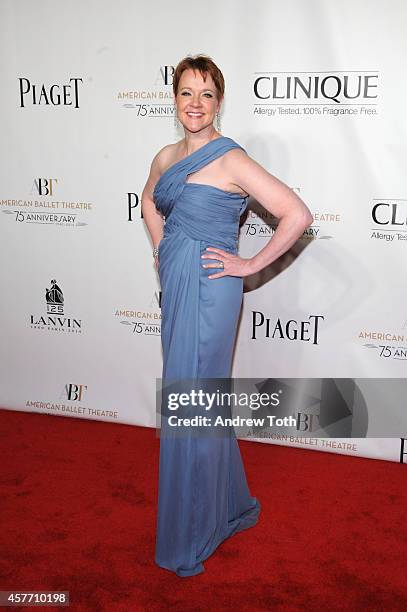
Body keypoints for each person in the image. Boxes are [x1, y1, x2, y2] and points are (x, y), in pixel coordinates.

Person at [141, 54, 313, 577]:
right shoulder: (166, 155)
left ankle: (193, 532)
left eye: (206, 94)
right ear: (174, 99)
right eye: (186, 93)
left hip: (214, 289)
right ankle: (225, 508)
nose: (196, 104)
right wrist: (163, 249)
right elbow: (150, 201)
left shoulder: (231, 159)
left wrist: (248, 264)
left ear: (219, 101)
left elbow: (297, 214)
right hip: (177, 282)